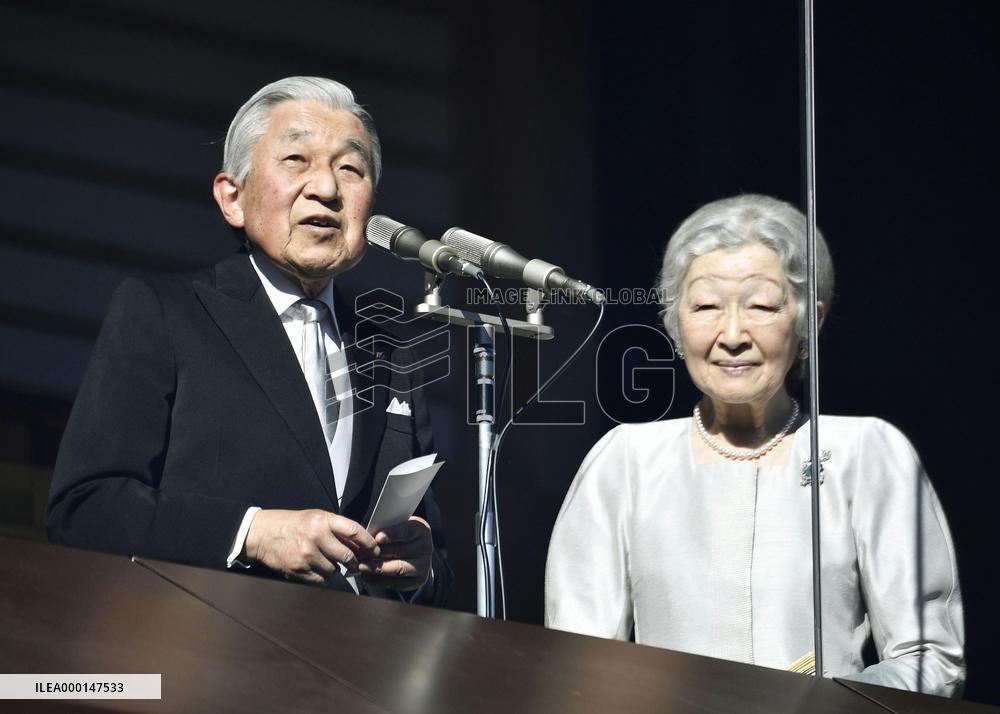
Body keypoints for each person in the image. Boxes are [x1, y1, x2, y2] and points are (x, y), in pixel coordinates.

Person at [46, 77, 450, 604]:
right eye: (296, 160)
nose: (326, 189)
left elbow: (438, 565)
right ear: (232, 198)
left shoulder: (390, 352)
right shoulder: (165, 313)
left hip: (353, 673)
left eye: (350, 168)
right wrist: (251, 533)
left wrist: (421, 571)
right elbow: (84, 509)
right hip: (204, 663)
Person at [545, 194, 964, 695]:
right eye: (705, 307)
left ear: (811, 322)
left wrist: (820, 704)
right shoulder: (626, 461)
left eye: (762, 306)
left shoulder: (866, 453)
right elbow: (579, 667)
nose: (733, 334)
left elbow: (929, 661)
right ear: (674, 324)